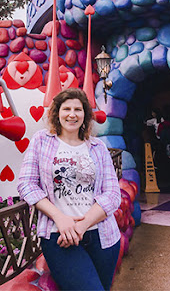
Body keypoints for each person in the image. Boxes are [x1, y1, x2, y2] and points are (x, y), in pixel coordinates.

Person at [17, 88, 121, 291]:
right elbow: (26, 184)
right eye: (66, 109)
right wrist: (60, 218)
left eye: (78, 109)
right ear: (57, 113)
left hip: (102, 236)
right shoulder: (41, 141)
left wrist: (81, 226)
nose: (72, 114)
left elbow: (112, 194)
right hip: (59, 236)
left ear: (85, 115)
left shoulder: (98, 147)